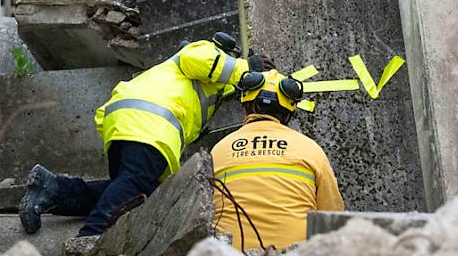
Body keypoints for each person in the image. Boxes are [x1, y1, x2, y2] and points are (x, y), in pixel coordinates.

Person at [19, 33, 273, 237]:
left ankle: (54, 190)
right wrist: (247, 66)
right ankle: (91, 237)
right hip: (149, 124)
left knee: (134, 193)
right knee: (134, 184)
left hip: (128, 122)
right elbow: (202, 60)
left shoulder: (195, 85)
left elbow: (229, 85)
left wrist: (256, 80)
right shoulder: (202, 50)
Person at [211, 68, 344, 251]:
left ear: (245, 106)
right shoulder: (310, 149)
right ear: (289, 112)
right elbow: (333, 217)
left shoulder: (219, 150)